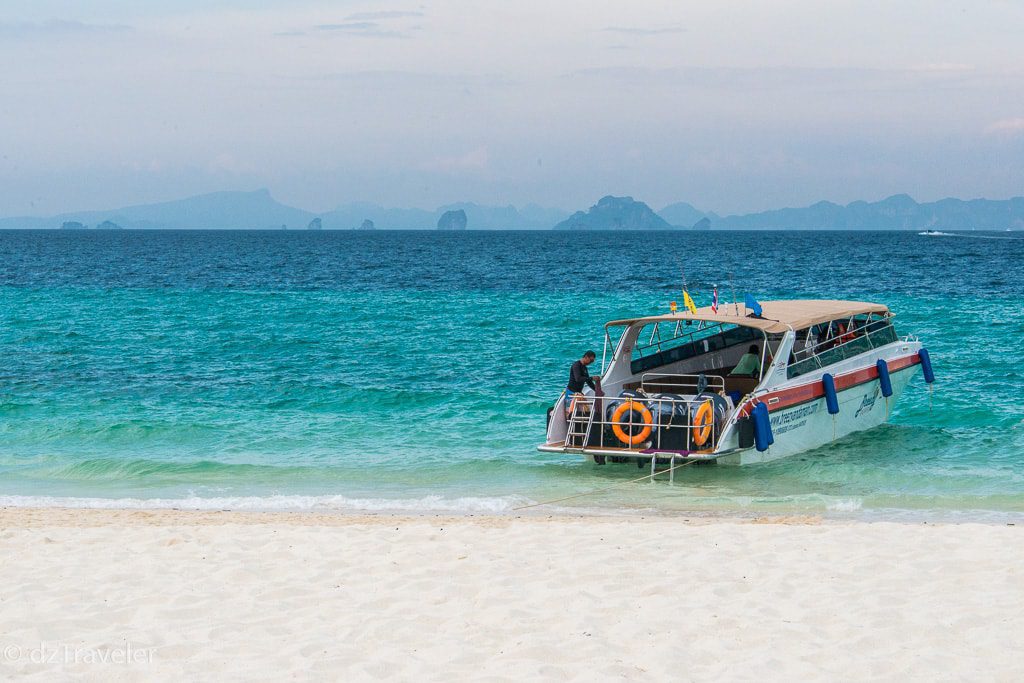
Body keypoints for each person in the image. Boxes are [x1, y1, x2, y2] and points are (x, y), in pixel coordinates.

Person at [565, 350, 597, 415]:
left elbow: (588, 381)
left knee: (585, 412)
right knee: (570, 413)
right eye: (591, 360)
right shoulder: (576, 365)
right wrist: (591, 378)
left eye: (592, 361)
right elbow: (578, 379)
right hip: (571, 393)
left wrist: (597, 390)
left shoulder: (584, 368)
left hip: (579, 393)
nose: (591, 363)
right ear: (586, 357)